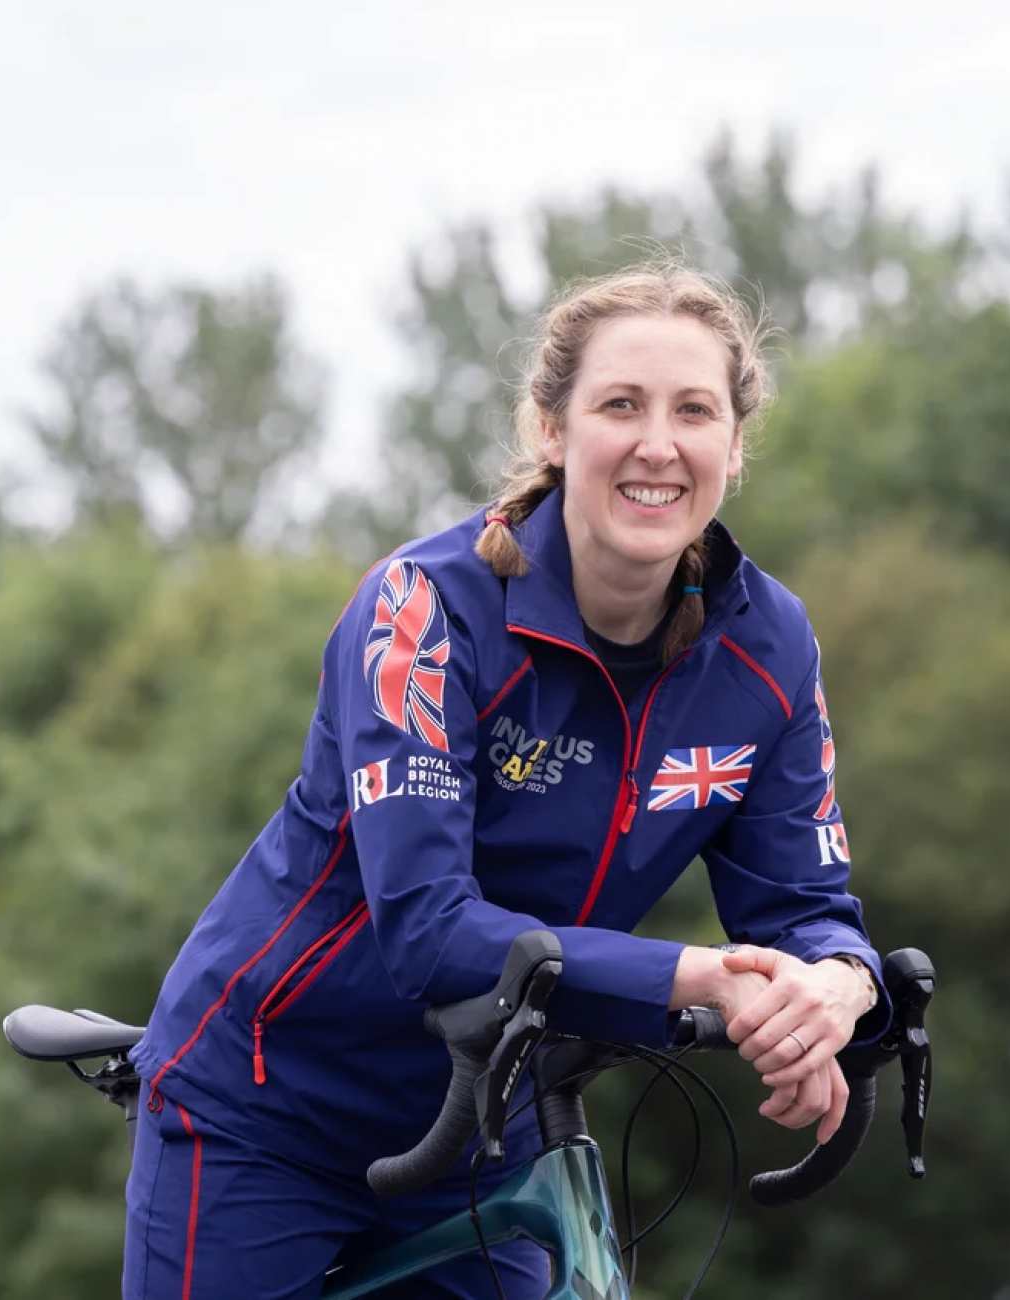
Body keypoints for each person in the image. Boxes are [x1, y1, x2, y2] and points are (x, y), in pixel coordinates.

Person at [123, 261, 888, 1299]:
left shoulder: (769, 645)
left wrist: (833, 993)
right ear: (550, 427)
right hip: (267, 1107)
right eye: (621, 404)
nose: (657, 443)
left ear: (734, 445)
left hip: (483, 1126)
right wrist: (697, 976)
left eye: (693, 411)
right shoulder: (423, 610)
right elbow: (430, 931)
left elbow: (804, 907)